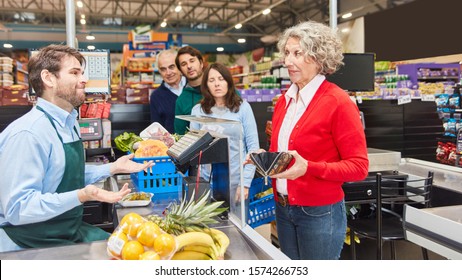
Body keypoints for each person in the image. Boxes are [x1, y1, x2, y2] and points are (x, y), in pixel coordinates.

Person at [0, 44, 154, 253]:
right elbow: (18, 208)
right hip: (29, 241)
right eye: (74, 73)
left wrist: (113, 168)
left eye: (82, 73)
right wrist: (81, 196)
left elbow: (61, 173)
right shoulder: (28, 134)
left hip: (65, 230)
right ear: (48, 78)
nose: (84, 79)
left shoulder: (69, 122)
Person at [253, 21, 369, 260]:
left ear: (318, 57)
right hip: (283, 209)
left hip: (319, 213)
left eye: (297, 53)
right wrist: (263, 159)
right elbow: (284, 155)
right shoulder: (284, 101)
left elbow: (359, 167)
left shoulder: (338, 102)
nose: (287, 61)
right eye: (286, 53)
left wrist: (309, 167)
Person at [190, 63, 259, 203]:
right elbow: (193, 151)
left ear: (228, 81)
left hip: (236, 181)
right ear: (206, 85)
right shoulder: (198, 110)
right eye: (211, 80)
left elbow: (253, 149)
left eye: (221, 79)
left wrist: (245, 183)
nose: (217, 84)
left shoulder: (243, 108)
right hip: (207, 182)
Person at [149, 49, 186, 133]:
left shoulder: (193, 87)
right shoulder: (156, 96)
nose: (168, 72)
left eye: (171, 67)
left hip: (200, 143)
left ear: (179, 66)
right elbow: (156, 129)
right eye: (163, 69)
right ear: (159, 71)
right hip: (173, 145)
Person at [174, 46, 205, 135]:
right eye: (184, 64)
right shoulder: (181, 101)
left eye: (192, 61)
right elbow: (180, 136)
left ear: (201, 63)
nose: (189, 66)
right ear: (180, 71)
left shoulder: (221, 88)